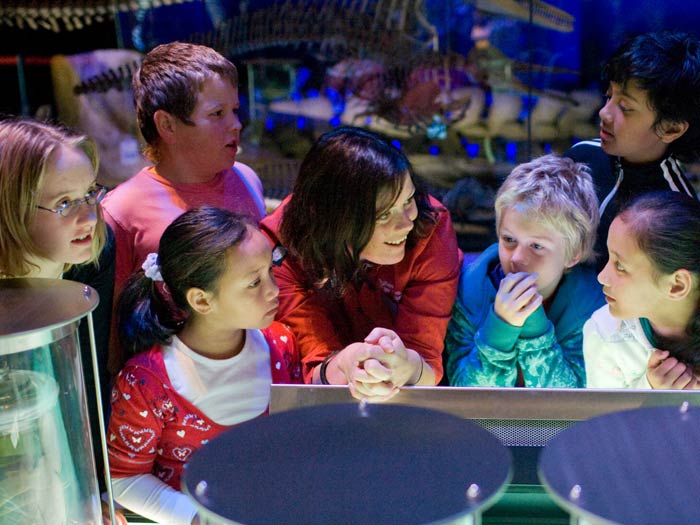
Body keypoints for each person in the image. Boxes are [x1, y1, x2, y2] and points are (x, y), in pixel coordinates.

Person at [107, 207, 301, 525]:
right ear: (201, 300)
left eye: (271, 270)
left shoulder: (281, 345)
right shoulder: (146, 382)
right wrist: (198, 519)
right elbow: (123, 479)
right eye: (254, 283)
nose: (274, 290)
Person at [260, 126, 462, 402]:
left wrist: (404, 366)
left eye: (408, 200)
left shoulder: (430, 227)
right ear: (335, 221)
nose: (406, 222)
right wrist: (347, 363)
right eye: (383, 215)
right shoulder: (280, 245)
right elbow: (313, 366)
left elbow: (427, 363)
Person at [101, 41, 265, 375]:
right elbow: (111, 333)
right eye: (217, 114)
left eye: (235, 110)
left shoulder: (247, 180)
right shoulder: (121, 210)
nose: (236, 124)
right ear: (168, 125)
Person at [0, 117, 124, 525]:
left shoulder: (94, 257)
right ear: (10, 207)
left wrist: (98, 490)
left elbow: (88, 376)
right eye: (65, 203)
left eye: (91, 194)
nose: (89, 217)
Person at [445, 155, 604, 387]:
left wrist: (533, 327)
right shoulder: (466, 292)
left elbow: (566, 404)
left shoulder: (595, 309)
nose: (517, 258)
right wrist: (501, 327)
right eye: (509, 239)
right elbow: (468, 394)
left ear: (574, 254)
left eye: (537, 246)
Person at [565, 30, 700, 266]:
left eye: (625, 107)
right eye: (609, 96)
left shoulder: (676, 208)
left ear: (671, 129)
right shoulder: (581, 155)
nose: (604, 113)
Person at [584, 192, 700, 389]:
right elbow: (603, 418)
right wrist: (649, 390)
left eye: (620, 266)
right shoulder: (604, 333)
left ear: (677, 285)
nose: (602, 277)